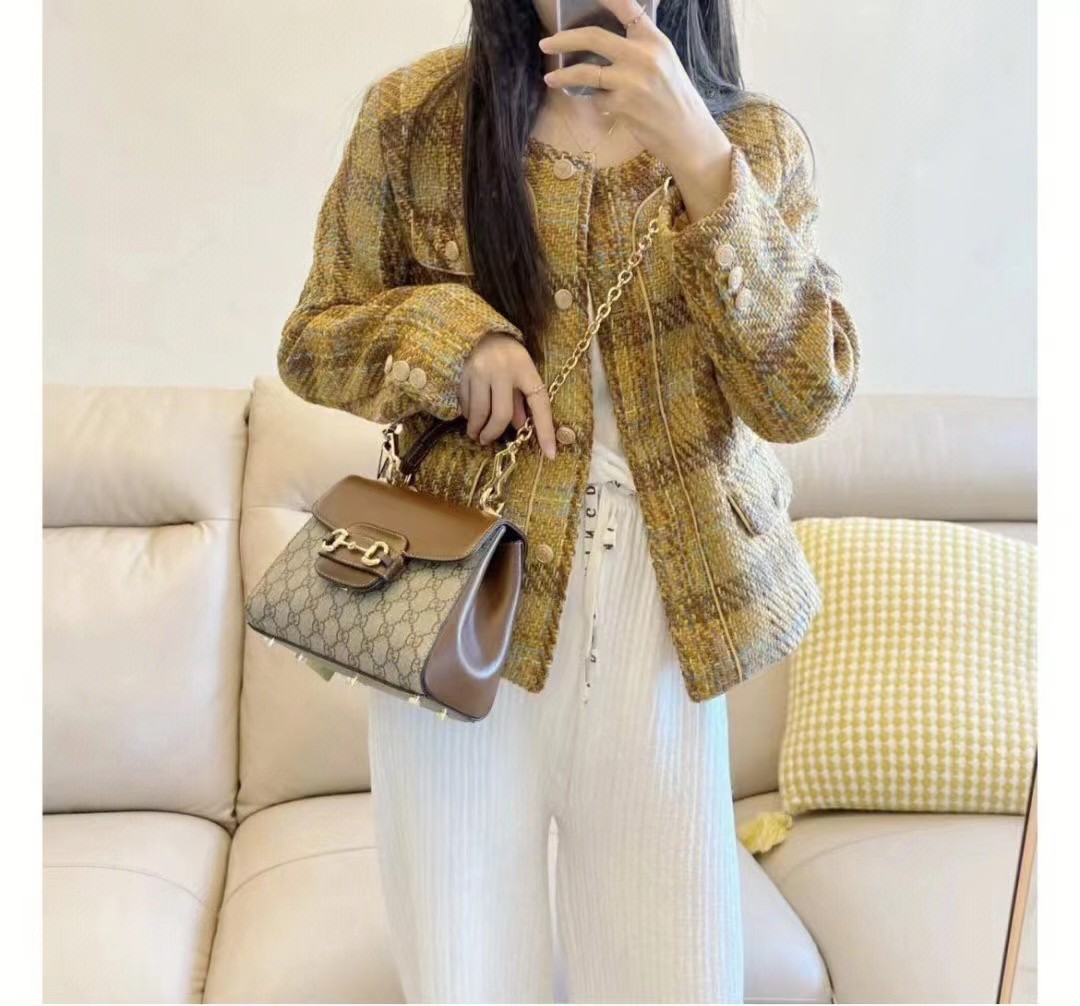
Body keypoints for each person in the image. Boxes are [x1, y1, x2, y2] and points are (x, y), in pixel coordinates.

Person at [276, 0, 860, 1001]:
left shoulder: (751, 143)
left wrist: (701, 159)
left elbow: (803, 395)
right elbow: (314, 339)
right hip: (460, 610)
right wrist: (456, 340)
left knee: (673, 974)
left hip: (664, 618)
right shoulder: (417, 119)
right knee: (463, 974)